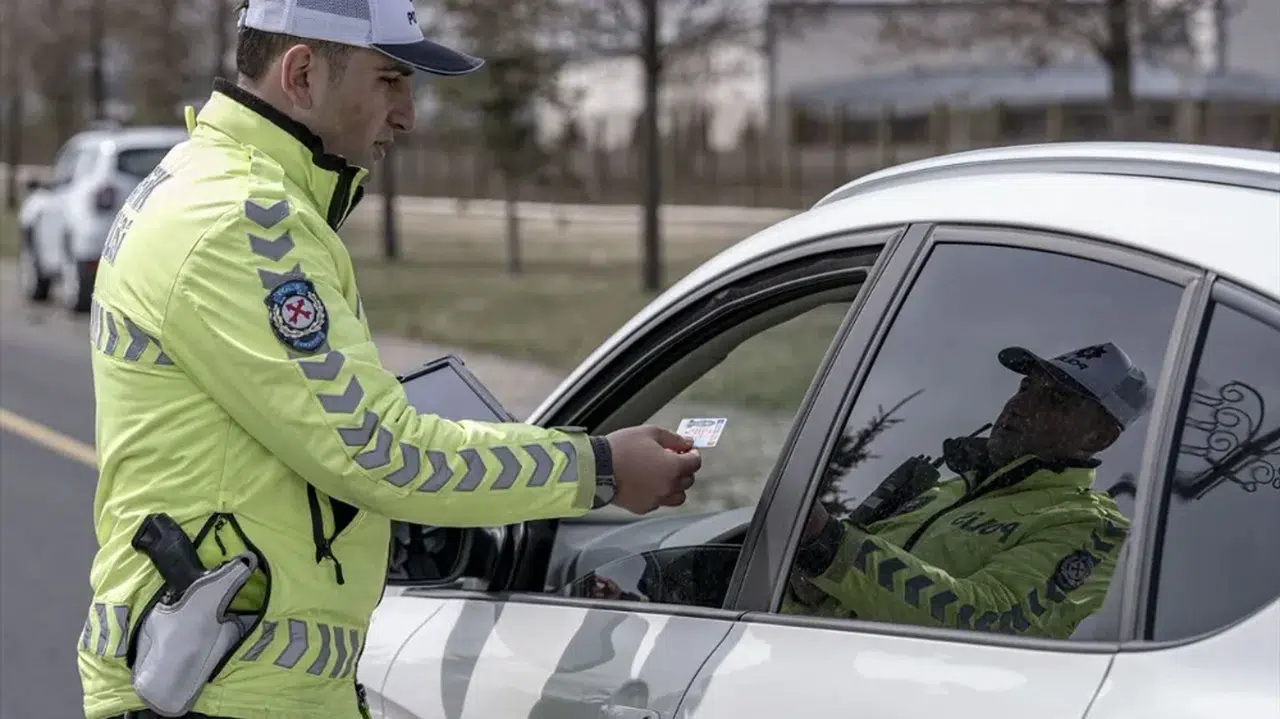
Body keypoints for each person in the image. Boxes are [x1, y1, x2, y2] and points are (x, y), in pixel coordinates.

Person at [78, 2, 702, 718]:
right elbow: (380, 451)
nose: (407, 115)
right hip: (222, 695)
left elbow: (290, 450)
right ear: (304, 73)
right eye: (390, 81)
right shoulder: (241, 223)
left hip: (228, 684)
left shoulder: (207, 187)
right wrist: (599, 467)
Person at [782, 342, 1148, 640]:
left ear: (1099, 436)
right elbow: (840, 591)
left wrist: (827, 543)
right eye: (1025, 388)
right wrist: (804, 585)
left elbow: (988, 621)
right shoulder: (943, 491)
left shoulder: (1089, 528)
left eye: (1055, 400)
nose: (1020, 405)